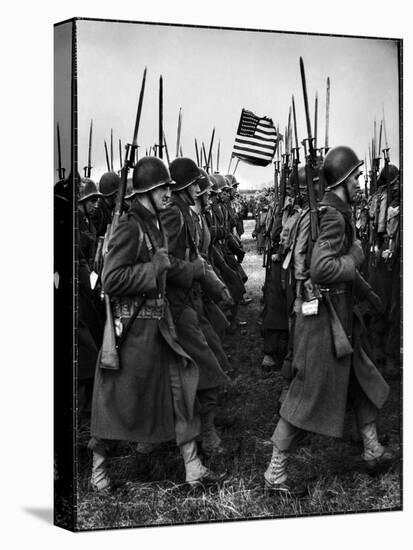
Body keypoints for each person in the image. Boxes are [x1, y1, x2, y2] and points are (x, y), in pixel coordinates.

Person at [264, 146, 396, 496]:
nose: (358, 183)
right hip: (324, 320)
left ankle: (371, 447)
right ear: (341, 181)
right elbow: (323, 269)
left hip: (340, 315)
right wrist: (356, 257)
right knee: (308, 392)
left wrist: (367, 293)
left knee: (361, 377)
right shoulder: (334, 217)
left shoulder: (334, 212)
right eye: (354, 178)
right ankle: (275, 470)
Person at [89, 157, 225, 490]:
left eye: (167, 186)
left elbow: (163, 263)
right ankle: (98, 470)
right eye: (162, 187)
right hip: (133, 331)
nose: (169, 192)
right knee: (119, 401)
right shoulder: (129, 227)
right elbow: (111, 279)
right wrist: (155, 268)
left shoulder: (155, 223)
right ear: (147, 192)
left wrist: (176, 268)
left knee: (181, 391)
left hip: (160, 325)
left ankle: (193, 466)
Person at [160, 158, 230, 456]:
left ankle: (204, 430)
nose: (201, 192)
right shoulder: (174, 215)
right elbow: (164, 262)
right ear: (188, 187)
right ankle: (207, 436)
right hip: (178, 306)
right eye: (196, 187)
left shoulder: (183, 212)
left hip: (190, 302)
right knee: (207, 369)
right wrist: (193, 270)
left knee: (210, 365)